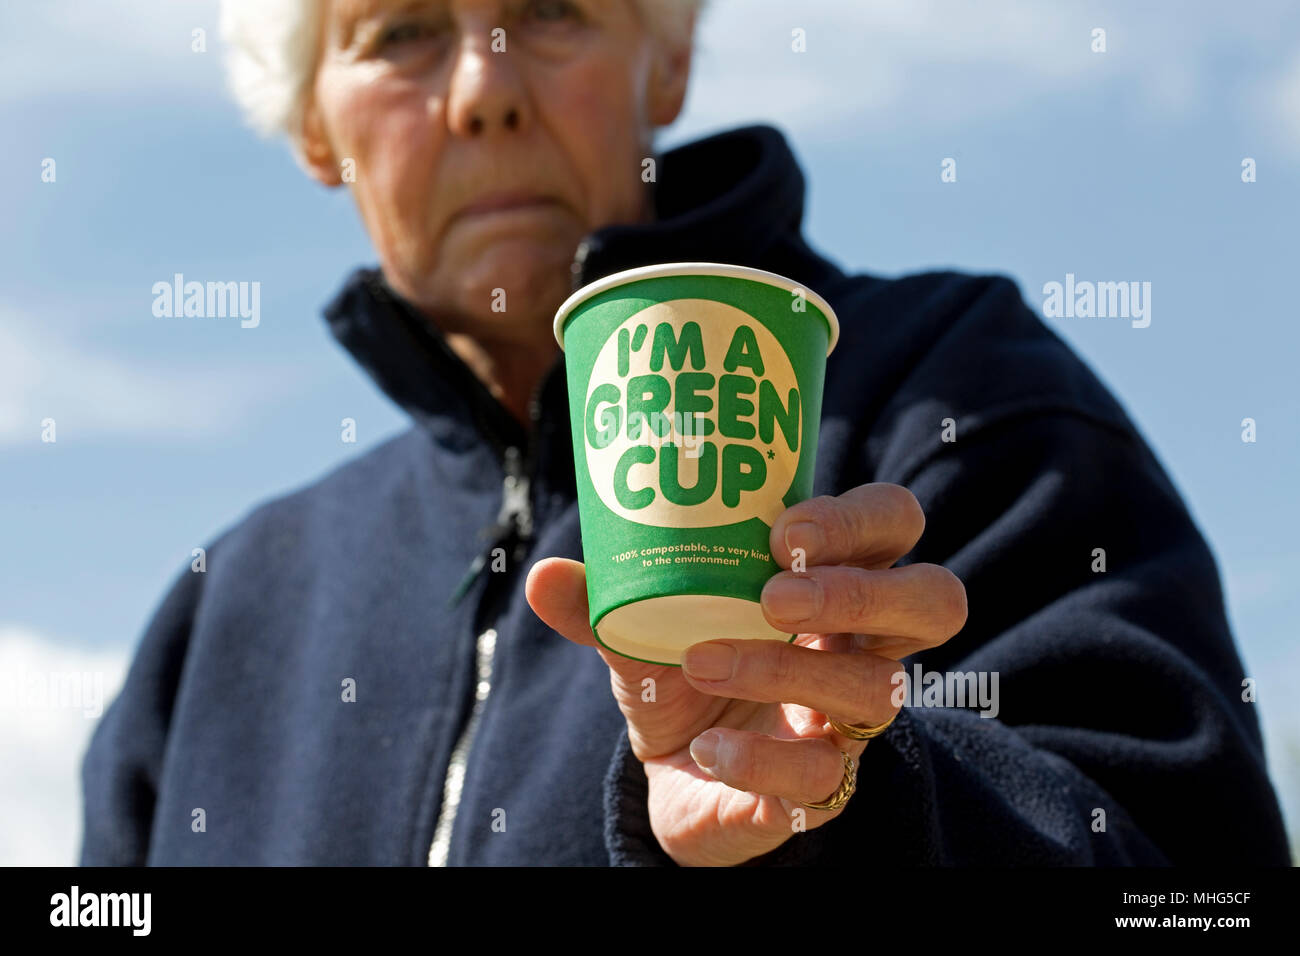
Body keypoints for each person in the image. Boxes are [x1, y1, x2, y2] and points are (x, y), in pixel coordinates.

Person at [79, 0, 1290, 866]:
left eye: (548, 13)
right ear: (312, 130)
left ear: (666, 65)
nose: (484, 90)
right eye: (397, 32)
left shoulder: (958, 385)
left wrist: (856, 814)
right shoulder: (225, 604)